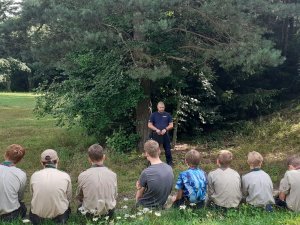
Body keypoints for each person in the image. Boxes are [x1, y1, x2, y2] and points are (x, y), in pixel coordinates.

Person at [29, 149, 72, 224]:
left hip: (37, 217)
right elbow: (68, 198)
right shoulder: (65, 176)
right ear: (57, 160)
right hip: (60, 216)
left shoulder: (34, 176)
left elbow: (32, 195)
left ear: (42, 163)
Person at [76, 144, 117, 218]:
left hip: (90, 214)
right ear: (104, 157)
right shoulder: (113, 175)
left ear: (89, 159)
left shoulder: (83, 175)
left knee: (79, 205)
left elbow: (79, 196)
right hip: (108, 212)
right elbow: (115, 195)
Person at [136, 140, 174, 208]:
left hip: (146, 207)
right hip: (162, 203)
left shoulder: (146, 172)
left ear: (146, 153)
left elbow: (139, 197)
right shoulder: (169, 168)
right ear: (159, 151)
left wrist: (138, 189)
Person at [0, 144, 27, 222]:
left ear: (5, 154)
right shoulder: (21, 174)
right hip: (10, 215)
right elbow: (20, 197)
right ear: (20, 160)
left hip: (9, 214)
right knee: (22, 207)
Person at [148, 101, 173, 165]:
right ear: (157, 107)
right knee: (154, 150)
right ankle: (152, 163)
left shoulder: (168, 115)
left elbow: (171, 125)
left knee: (168, 150)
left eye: (163, 107)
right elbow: (149, 125)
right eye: (160, 107)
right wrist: (156, 129)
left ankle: (169, 163)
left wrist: (165, 129)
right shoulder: (153, 115)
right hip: (156, 134)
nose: (162, 108)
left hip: (165, 134)